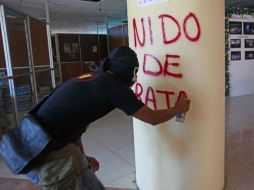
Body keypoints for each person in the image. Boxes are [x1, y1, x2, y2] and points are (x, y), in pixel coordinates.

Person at [0, 46, 190, 190]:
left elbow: (76, 124)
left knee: (89, 179)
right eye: (135, 71)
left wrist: (84, 157)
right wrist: (178, 108)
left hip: (41, 143)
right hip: (44, 156)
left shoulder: (92, 78)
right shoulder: (114, 87)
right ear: (128, 71)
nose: (137, 76)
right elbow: (152, 118)